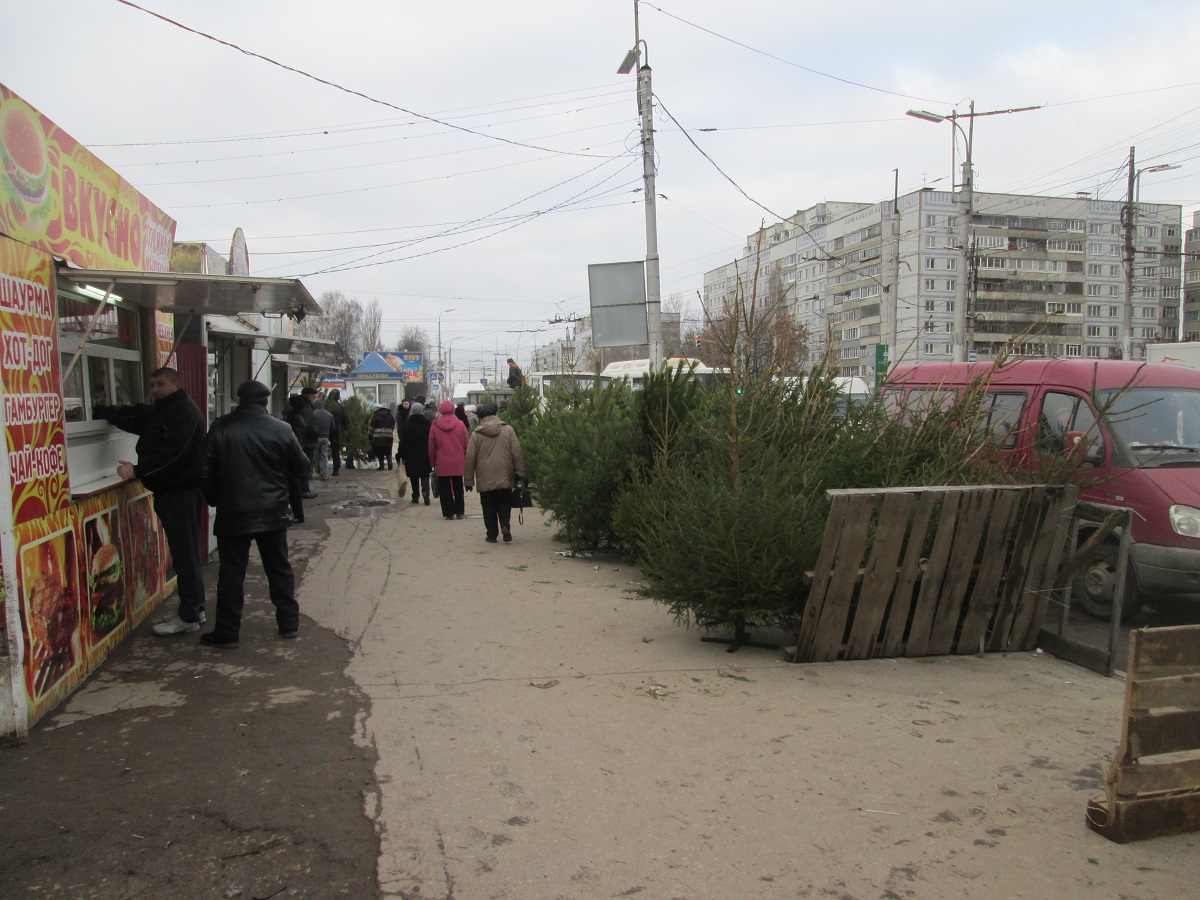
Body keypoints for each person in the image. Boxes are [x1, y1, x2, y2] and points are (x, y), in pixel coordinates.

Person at [95, 366, 208, 636]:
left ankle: (190, 614)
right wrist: (102, 412)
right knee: (185, 553)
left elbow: (174, 456)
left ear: (177, 384)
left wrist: (137, 470)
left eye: (161, 384)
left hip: (181, 493)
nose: (155, 389)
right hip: (176, 492)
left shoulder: (183, 412)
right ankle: (195, 609)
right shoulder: (166, 408)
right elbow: (138, 417)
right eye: (152, 384)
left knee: (185, 554)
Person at [199, 380, 311, 648]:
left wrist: (216, 498)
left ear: (240, 399)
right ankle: (288, 624)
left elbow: (203, 470)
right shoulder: (281, 429)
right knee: (279, 568)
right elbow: (302, 466)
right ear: (265, 401)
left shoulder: (221, 427)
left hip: (233, 511)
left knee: (231, 573)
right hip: (273, 512)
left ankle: (227, 633)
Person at [464, 403, 526, 544]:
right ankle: (505, 525)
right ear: (496, 413)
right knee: (504, 502)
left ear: (480, 417)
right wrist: (520, 471)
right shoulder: (508, 429)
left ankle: (492, 534)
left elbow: (469, 458)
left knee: (488, 505)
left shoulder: (476, 434)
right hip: (505, 473)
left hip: (485, 476)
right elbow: (516, 451)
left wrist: (468, 480)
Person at [429, 400, 469, 519]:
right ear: (453, 410)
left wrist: (433, 462)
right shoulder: (460, 424)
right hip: (458, 460)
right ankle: (459, 511)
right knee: (458, 487)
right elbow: (467, 443)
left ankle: (448, 512)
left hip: (442, 461)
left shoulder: (435, 425)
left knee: (444, 488)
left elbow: (431, 446)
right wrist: (466, 459)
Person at [398, 402, 433, 504]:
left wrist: (400, 454)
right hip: (425, 454)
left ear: (412, 411)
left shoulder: (408, 424)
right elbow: (431, 439)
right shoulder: (427, 424)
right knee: (425, 474)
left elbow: (403, 441)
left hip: (411, 455)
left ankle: (415, 495)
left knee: (414, 476)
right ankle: (426, 492)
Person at [285, 395, 318, 499]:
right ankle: (303, 490)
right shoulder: (294, 417)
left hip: (297, 447)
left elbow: (297, 436)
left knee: (300, 470)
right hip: (297, 447)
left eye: (288, 404)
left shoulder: (295, 419)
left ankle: (303, 490)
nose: (286, 406)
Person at [324, 388, 347, 476]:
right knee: (335, 449)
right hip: (336, 429)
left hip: (325, 428)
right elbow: (344, 419)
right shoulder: (340, 406)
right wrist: (345, 429)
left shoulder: (326, 405)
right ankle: (336, 468)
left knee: (321, 448)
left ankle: (320, 468)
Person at [368, 403, 397, 470]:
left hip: (378, 436)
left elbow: (371, 427)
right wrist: (389, 431)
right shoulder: (390, 415)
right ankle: (390, 463)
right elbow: (393, 424)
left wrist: (370, 435)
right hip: (388, 436)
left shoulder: (375, 415)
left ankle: (381, 466)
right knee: (388, 450)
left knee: (380, 451)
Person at [311, 397, 334, 480]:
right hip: (325, 437)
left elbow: (310, 425)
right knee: (323, 456)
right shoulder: (329, 414)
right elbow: (333, 427)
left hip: (315, 437)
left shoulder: (313, 414)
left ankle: (310, 473)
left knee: (313, 455)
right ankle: (324, 474)